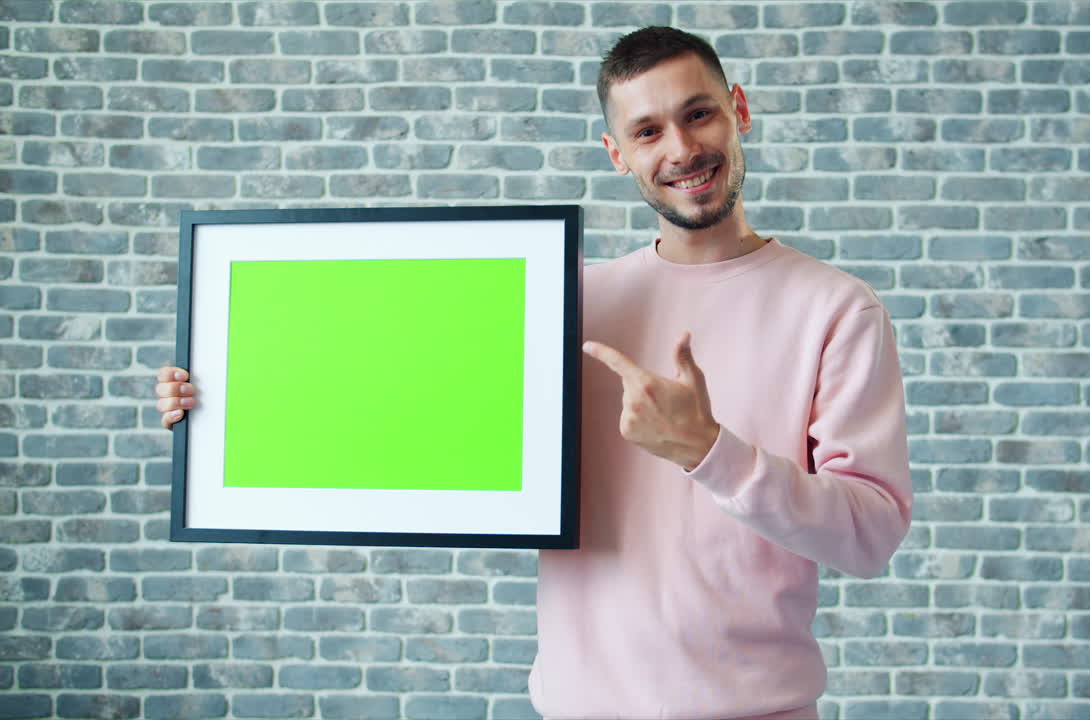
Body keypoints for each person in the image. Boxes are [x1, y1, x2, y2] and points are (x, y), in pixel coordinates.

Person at [157, 26, 912, 720]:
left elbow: (870, 536)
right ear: (618, 153)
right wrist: (221, 392)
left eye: (699, 114)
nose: (680, 148)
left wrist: (709, 450)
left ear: (739, 110)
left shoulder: (836, 310)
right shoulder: (565, 298)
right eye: (647, 130)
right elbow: (387, 392)